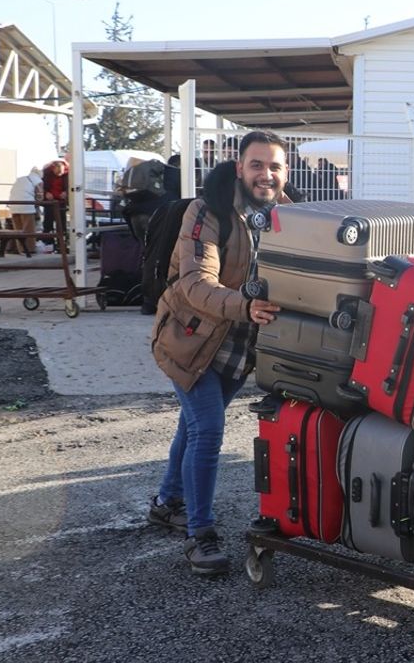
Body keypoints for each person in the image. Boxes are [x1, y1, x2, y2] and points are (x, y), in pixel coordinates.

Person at [147, 131, 289, 575]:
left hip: (238, 349)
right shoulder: (206, 211)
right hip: (189, 339)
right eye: (257, 165)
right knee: (207, 430)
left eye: (275, 166)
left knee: (192, 428)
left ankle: (169, 502)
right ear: (238, 165)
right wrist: (244, 307)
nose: (266, 174)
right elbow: (193, 282)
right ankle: (199, 535)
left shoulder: (291, 216)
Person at [8, 166, 42, 256]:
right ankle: (29, 249)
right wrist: (38, 204)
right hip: (27, 205)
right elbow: (40, 195)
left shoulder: (20, 179)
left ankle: (20, 249)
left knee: (18, 229)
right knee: (28, 229)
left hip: (13, 205)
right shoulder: (38, 180)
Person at [40, 159, 69, 251]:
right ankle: (48, 243)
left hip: (61, 203)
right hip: (49, 203)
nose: (60, 173)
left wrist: (66, 193)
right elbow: (40, 187)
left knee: (61, 224)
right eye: (58, 171)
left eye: (61, 171)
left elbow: (71, 187)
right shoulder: (46, 175)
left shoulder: (67, 176)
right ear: (53, 169)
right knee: (48, 223)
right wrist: (46, 193)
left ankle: (62, 244)